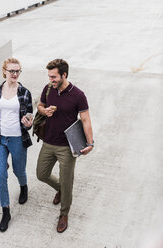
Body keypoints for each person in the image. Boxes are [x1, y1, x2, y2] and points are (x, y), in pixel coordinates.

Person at [36, 58, 94, 233]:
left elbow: (86, 120)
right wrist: (44, 111)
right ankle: (62, 190)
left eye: (54, 76)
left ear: (64, 75)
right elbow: (40, 106)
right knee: (41, 174)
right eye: (49, 76)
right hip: (48, 141)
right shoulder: (48, 89)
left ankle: (64, 214)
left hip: (67, 147)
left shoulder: (78, 95)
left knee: (67, 179)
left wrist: (90, 143)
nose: (50, 80)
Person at [0, 57, 33, 232]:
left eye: (18, 70)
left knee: (18, 170)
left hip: (17, 138)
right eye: (11, 70)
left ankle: (23, 186)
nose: (15, 74)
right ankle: (5, 210)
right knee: (0, 175)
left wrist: (29, 123)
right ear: (4, 71)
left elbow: (30, 116)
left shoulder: (24, 92)